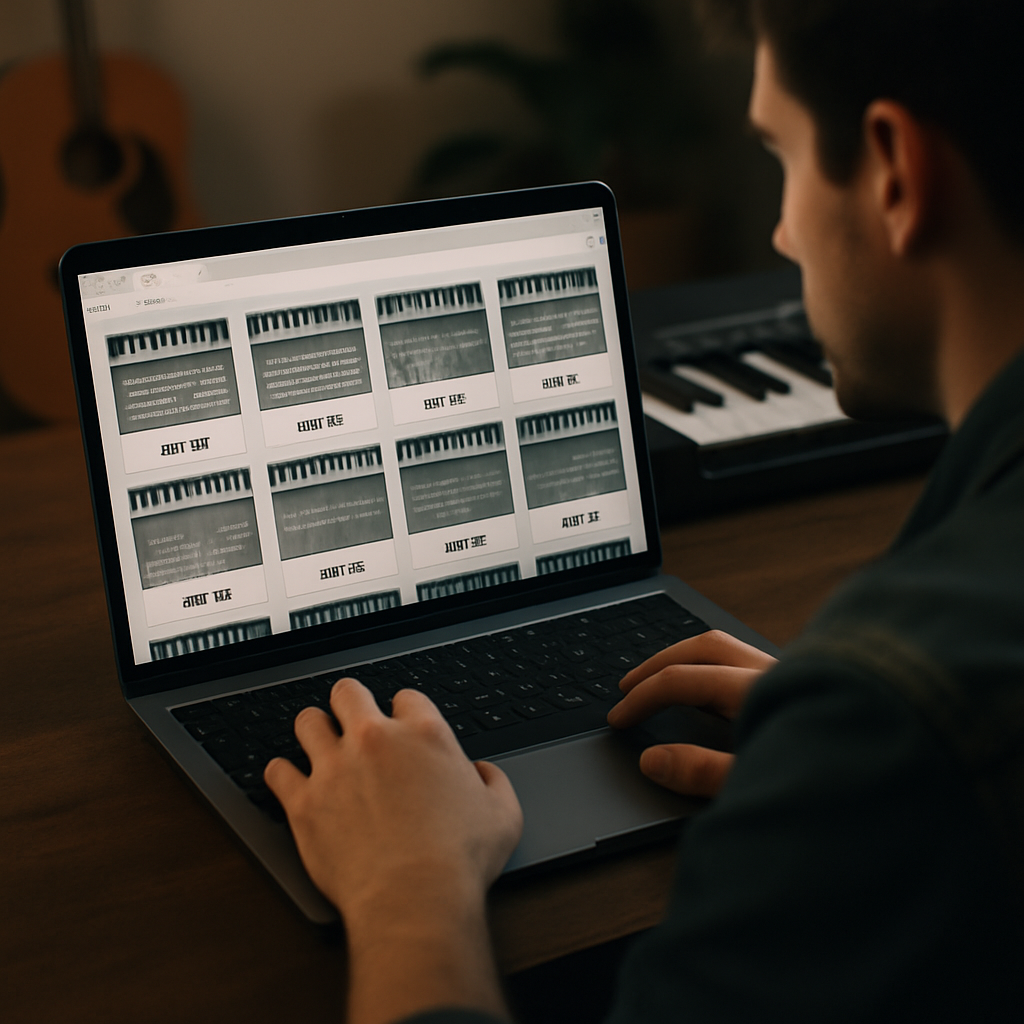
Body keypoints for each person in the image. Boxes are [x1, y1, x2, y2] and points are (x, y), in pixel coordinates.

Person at [264, 1, 1024, 1020]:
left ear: (894, 170)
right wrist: (852, 759)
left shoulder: (897, 706)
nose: (779, 230)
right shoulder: (909, 710)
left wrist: (408, 885)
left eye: (780, 154)